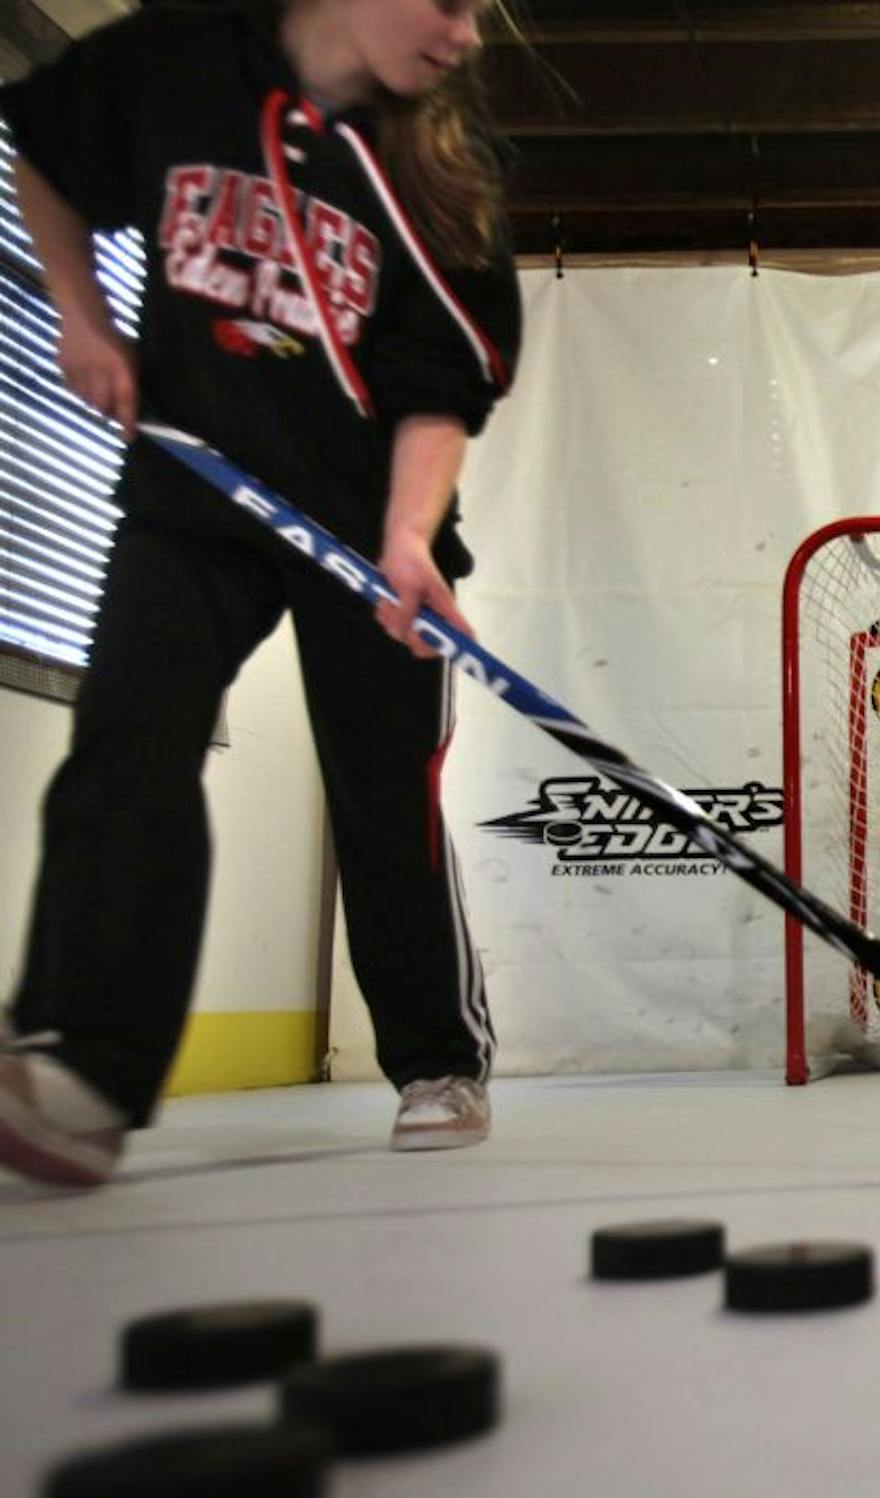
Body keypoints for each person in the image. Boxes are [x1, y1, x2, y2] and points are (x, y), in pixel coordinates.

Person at [0, 0, 522, 1186]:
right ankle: (85, 1065)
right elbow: (45, 156)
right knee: (129, 736)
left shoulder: (440, 170)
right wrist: (82, 323)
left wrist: (408, 534)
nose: (468, 36)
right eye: (445, 1)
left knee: (384, 791)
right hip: (199, 493)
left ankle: (441, 1059)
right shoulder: (177, 63)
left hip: (363, 521)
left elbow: (442, 382)